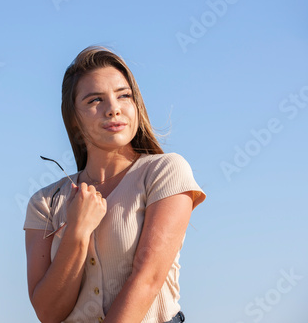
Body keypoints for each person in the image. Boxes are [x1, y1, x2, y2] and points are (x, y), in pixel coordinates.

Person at [24, 46, 206, 323]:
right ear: (74, 120)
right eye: (95, 100)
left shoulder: (165, 171)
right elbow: (48, 313)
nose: (113, 109)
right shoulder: (46, 202)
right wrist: (76, 231)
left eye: (124, 96)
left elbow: (147, 279)